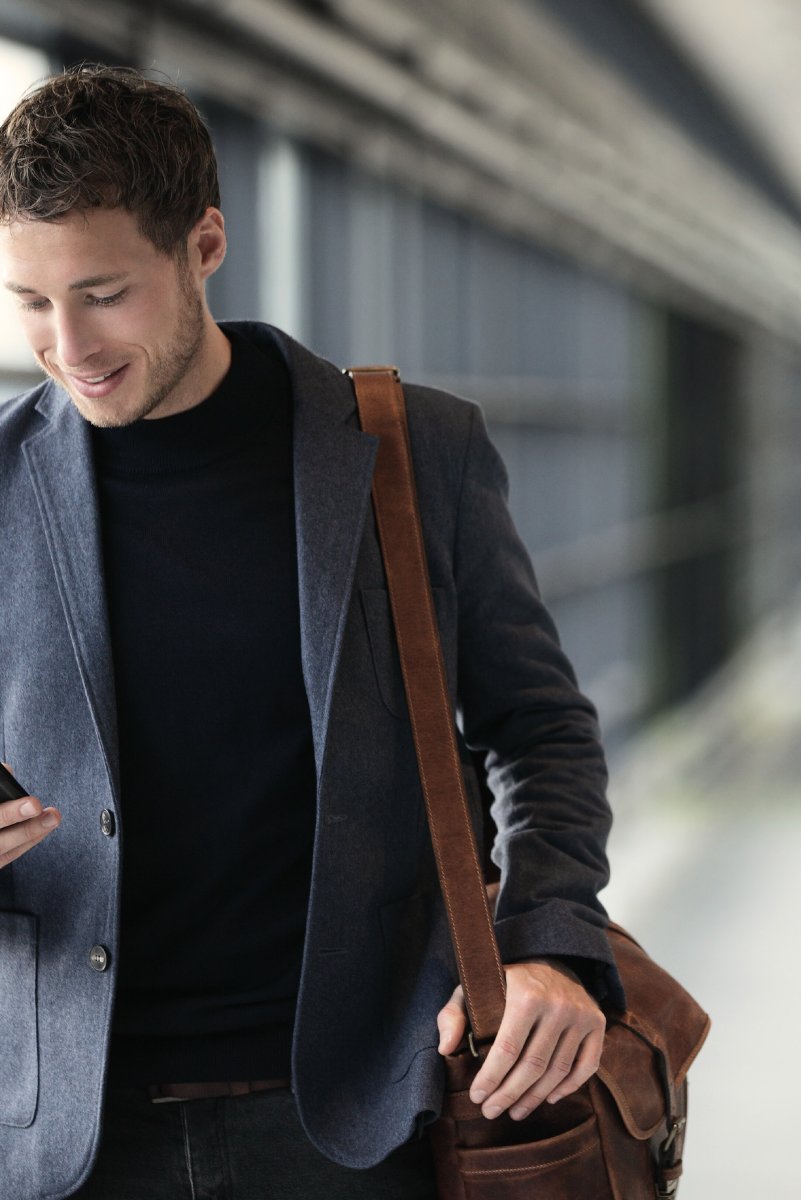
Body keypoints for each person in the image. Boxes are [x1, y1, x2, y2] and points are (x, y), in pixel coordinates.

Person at [0, 64, 620, 1200]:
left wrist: (547, 937)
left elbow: (539, 730)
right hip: (64, 1137)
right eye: (30, 301)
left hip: (357, 1116)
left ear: (205, 245)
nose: (68, 343)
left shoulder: (407, 452)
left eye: (104, 293)